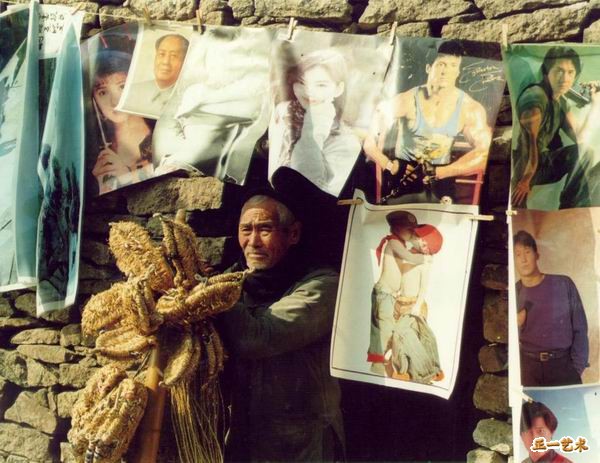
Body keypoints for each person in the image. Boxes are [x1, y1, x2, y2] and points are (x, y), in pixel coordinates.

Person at [217, 193, 344, 461]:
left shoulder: (323, 285)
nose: (253, 241)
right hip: (245, 437)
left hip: (301, 441)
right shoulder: (234, 281)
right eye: (246, 230)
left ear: (293, 234)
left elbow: (256, 338)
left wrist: (211, 295)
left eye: (265, 229)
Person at [363, 40, 492, 204]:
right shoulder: (405, 100)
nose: (446, 71)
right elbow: (369, 142)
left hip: (441, 174)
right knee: (397, 215)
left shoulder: (470, 108)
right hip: (405, 172)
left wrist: (440, 172)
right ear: (428, 68)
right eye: (441, 64)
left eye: (453, 65)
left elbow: (484, 153)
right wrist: (390, 166)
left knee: (444, 216)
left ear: (458, 72)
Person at [512, 46, 600, 208]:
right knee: (518, 214)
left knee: (588, 154)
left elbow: (580, 139)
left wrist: (595, 104)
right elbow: (530, 146)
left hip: (543, 162)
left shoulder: (561, 101)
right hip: (525, 166)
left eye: (570, 72)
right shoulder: (535, 97)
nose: (565, 78)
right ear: (546, 72)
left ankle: (572, 208)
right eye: (559, 71)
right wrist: (525, 181)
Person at [269, 49, 361, 196]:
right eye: (302, 82)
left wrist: (313, 129)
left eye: (321, 85)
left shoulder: (346, 143)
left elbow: (310, 190)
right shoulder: (285, 112)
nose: (309, 92)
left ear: (338, 89)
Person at [367, 211, 444, 384]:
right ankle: (383, 364)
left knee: (406, 335)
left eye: (414, 232)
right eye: (410, 231)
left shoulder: (414, 254)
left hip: (406, 302)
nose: (412, 234)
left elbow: (420, 284)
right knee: (387, 329)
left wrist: (426, 257)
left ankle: (423, 369)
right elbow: (408, 262)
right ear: (397, 229)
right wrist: (424, 258)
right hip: (388, 295)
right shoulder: (395, 243)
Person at [513, 230, 588, 386]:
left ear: (537, 255)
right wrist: (516, 325)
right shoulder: (514, 293)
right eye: (518, 255)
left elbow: (580, 329)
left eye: (527, 252)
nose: (523, 260)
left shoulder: (563, 284)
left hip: (563, 367)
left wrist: (576, 369)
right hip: (528, 370)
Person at [90, 51, 153, 195]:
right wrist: (99, 185)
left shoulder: (162, 130)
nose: (115, 101)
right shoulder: (98, 152)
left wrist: (127, 177)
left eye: (122, 86)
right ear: (94, 100)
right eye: (103, 92)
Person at [128, 34, 189, 117]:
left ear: (185, 61)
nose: (165, 62)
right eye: (161, 54)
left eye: (174, 56)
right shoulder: (133, 90)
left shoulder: (188, 98)